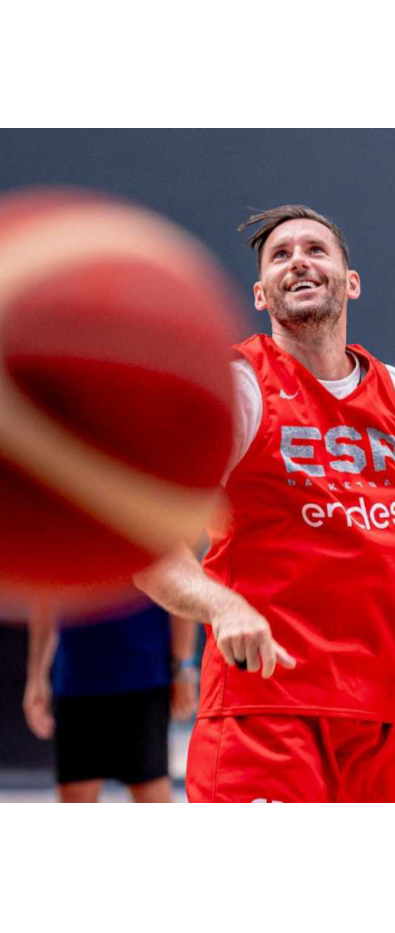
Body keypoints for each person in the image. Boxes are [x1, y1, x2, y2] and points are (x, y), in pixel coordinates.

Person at [136, 204, 395, 804]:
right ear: (261, 294)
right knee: (262, 876)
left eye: (314, 249)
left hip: (382, 720)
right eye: (281, 255)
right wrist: (221, 605)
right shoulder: (238, 386)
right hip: (267, 715)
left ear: (351, 282)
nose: (298, 261)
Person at [23, 599, 197, 814]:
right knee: (76, 792)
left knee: (150, 791)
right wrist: (37, 676)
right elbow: (45, 596)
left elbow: (180, 589)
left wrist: (183, 667)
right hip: (76, 674)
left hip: (144, 671)